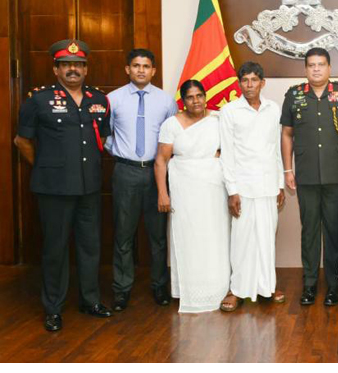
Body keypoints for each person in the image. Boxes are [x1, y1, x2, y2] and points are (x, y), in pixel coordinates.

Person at [14, 39, 113, 331]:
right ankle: (53, 308)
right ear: (56, 68)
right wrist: (48, 166)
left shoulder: (99, 99)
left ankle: (90, 300)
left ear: (86, 68)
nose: (73, 69)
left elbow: (103, 139)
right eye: (67, 64)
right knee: (55, 249)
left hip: (90, 187)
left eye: (79, 65)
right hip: (53, 188)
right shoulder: (38, 99)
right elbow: (22, 141)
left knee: (90, 246)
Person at [281, 47, 338, 306]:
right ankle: (309, 285)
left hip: (337, 174)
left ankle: (333, 286)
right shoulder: (294, 96)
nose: (316, 69)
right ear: (305, 69)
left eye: (321, 64)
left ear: (329, 68)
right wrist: (287, 169)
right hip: (305, 175)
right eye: (311, 65)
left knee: (333, 231)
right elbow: (287, 134)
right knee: (310, 232)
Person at [106, 49, 178, 312]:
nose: (140, 70)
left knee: (158, 235)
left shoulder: (166, 101)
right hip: (125, 172)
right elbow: (104, 132)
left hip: (157, 173)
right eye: (136, 66)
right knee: (123, 234)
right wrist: (117, 151)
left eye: (146, 66)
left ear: (153, 71)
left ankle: (159, 286)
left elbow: (173, 136)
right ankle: (121, 289)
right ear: (127, 69)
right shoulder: (112, 99)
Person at [154, 80, 230, 313]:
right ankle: (189, 290)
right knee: (189, 236)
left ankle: (219, 288)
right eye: (190, 97)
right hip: (184, 189)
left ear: (205, 97)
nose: (196, 101)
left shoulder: (218, 120)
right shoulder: (171, 124)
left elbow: (235, 149)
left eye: (199, 96)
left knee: (215, 236)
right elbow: (160, 161)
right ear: (183, 100)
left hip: (214, 188)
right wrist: (162, 193)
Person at [219, 62, 286, 311]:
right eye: (245, 80)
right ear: (239, 83)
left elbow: (276, 148)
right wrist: (232, 190)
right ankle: (237, 290)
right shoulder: (230, 111)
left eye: (254, 80)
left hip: (269, 184)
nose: (249, 85)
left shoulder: (273, 109)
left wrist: (280, 184)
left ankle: (267, 286)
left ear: (262, 82)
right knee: (242, 240)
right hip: (243, 186)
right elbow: (227, 153)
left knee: (266, 239)